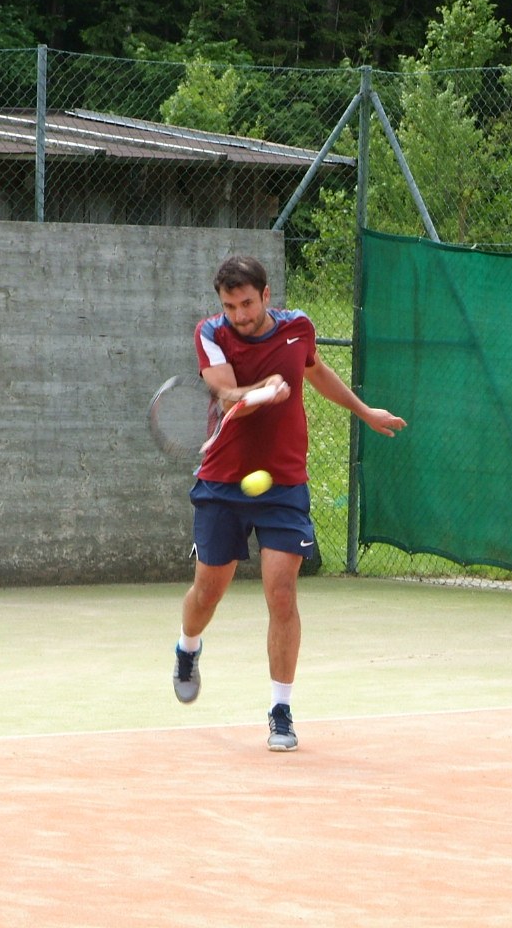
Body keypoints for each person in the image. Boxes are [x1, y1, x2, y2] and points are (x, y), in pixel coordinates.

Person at [172, 254, 406, 751]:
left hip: (282, 483)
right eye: (230, 306)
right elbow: (225, 393)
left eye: (246, 303)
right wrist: (260, 390)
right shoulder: (211, 333)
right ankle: (188, 646)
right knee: (208, 593)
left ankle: (281, 710)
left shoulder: (298, 328)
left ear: (266, 295)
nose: (239, 315)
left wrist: (364, 411)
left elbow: (316, 372)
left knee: (282, 594)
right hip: (222, 483)